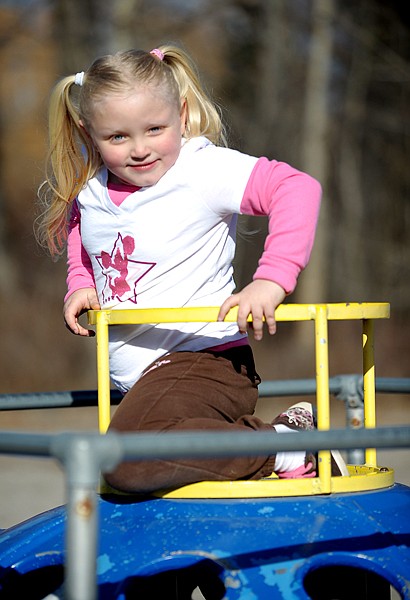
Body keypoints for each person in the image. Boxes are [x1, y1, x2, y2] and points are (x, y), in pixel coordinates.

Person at [36, 44, 347, 494]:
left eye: (155, 129)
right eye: (117, 137)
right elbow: (82, 228)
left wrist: (272, 279)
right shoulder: (93, 192)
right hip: (143, 382)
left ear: (181, 113)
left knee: (126, 462)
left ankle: (292, 447)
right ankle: (280, 434)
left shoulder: (201, 170)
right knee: (134, 457)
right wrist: (81, 283)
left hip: (206, 361)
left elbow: (296, 187)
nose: (139, 149)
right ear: (89, 133)